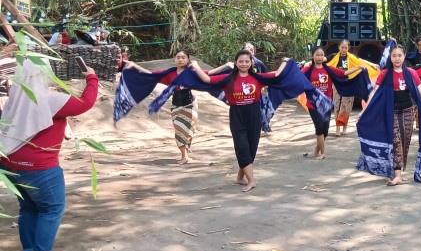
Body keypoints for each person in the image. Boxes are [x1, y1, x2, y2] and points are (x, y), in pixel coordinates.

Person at [0, 61, 99, 251]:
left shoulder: (14, 100)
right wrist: (91, 77)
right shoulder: (50, 100)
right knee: (51, 209)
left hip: (11, 165)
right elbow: (85, 103)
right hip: (40, 168)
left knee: (28, 208)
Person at [191, 50, 290, 192]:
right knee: (242, 147)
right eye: (241, 61)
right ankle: (251, 181)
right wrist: (195, 65)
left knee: (251, 148)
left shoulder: (257, 78)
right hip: (237, 114)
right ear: (236, 63)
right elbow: (207, 80)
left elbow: (276, 75)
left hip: (254, 113)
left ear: (251, 63)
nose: (244, 64)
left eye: (247, 61)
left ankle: (239, 177)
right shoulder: (228, 78)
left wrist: (285, 62)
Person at [121, 49, 229, 164]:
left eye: (183, 57)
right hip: (176, 106)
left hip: (190, 105)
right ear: (175, 59)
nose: (180, 59)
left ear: (188, 60)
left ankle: (186, 149)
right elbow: (151, 75)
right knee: (179, 130)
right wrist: (134, 65)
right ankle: (184, 156)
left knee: (188, 130)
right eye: (178, 57)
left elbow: (210, 74)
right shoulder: (169, 74)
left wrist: (226, 65)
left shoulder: (192, 72)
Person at [362, 45, 421, 186]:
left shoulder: (411, 73)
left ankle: (396, 168)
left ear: (404, 57)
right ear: (390, 58)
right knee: (396, 142)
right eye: (394, 56)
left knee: (405, 141)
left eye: (399, 55)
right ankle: (398, 175)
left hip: (408, 111)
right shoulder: (385, 74)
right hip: (390, 112)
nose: (397, 58)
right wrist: (364, 110)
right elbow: (374, 93)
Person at [301, 47, 362, 158]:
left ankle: (316, 151)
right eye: (317, 55)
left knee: (325, 129)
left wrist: (358, 67)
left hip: (326, 104)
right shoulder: (308, 70)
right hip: (313, 104)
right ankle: (323, 153)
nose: (319, 57)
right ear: (312, 56)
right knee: (319, 127)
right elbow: (296, 77)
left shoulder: (328, 69)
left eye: (321, 55)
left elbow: (344, 73)